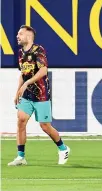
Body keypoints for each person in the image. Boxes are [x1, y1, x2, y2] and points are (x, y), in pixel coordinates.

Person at [8, 25, 70, 166]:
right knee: (21, 121)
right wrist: (18, 90)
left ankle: (63, 148)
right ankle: (20, 157)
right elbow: (22, 74)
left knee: (45, 126)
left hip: (41, 94)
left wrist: (26, 83)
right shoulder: (20, 53)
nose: (17, 36)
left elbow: (43, 71)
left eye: (20, 34)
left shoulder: (38, 50)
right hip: (27, 95)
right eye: (18, 34)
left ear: (29, 36)